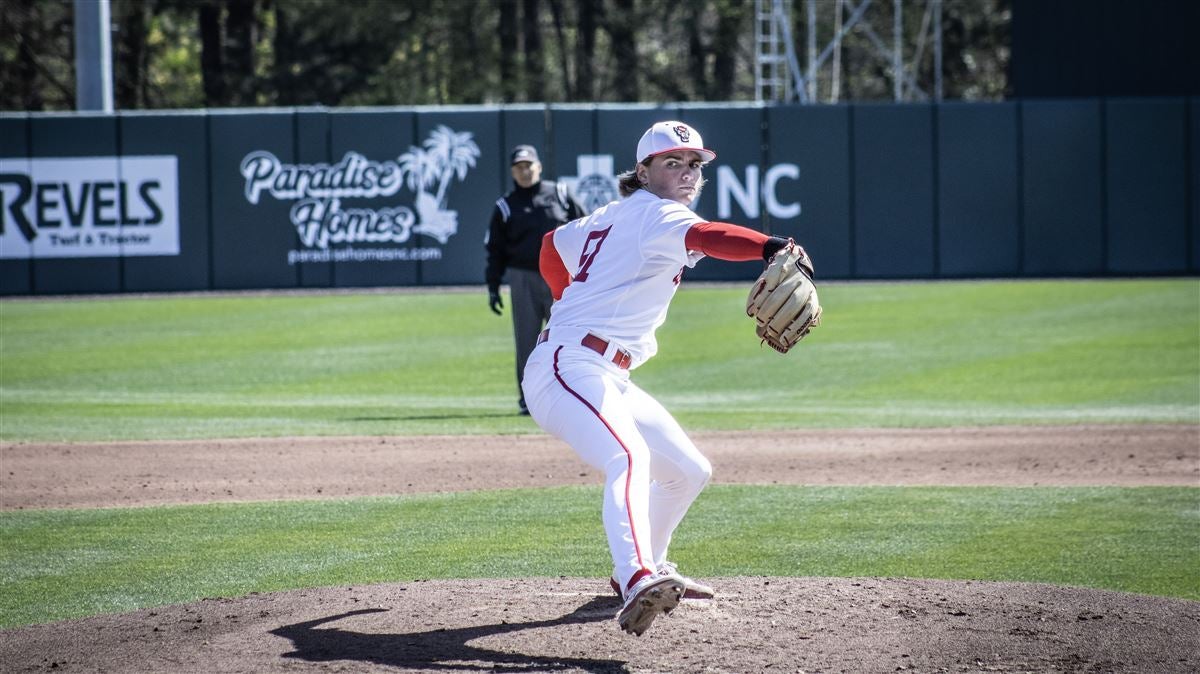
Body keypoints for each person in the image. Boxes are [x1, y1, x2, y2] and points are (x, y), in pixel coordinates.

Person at [521, 121, 801, 636]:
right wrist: (771, 246)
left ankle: (652, 565)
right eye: (673, 163)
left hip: (603, 370)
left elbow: (548, 246)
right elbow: (707, 236)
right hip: (568, 365)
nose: (689, 173)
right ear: (644, 170)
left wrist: (569, 299)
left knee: (688, 470)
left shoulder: (613, 215)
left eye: (695, 164)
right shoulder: (657, 212)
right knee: (627, 456)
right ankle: (635, 576)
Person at [486, 144, 587, 415]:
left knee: (568, 338)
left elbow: (587, 228)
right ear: (512, 172)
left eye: (528, 165)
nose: (524, 171)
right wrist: (493, 287)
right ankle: (527, 400)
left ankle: (574, 394)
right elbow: (494, 250)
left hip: (564, 276)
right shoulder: (505, 206)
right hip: (524, 278)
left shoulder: (561, 194)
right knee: (527, 342)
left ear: (539, 167)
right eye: (519, 167)